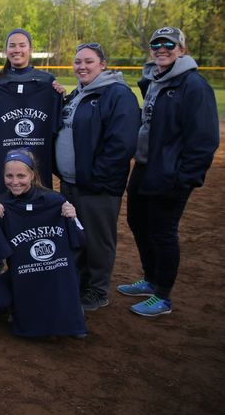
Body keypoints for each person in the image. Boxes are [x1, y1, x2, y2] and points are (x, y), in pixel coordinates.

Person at [119, 26, 219, 317]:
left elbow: (204, 139)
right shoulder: (155, 80)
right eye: (156, 44)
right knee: (138, 222)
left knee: (163, 232)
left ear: (182, 49)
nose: (162, 49)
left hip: (170, 172)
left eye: (169, 45)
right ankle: (150, 279)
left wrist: (184, 178)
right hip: (146, 166)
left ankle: (162, 296)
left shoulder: (194, 85)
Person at [54, 43, 139, 312]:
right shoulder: (77, 94)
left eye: (88, 61)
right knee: (76, 235)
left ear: (103, 64)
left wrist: (95, 178)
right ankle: (80, 283)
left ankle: (97, 290)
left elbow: (121, 144)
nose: (82, 66)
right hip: (71, 182)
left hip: (96, 185)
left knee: (98, 238)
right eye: (78, 62)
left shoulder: (117, 94)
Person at [0, 29, 64, 281]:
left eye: (22, 45)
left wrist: (59, 95)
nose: (17, 50)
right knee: (2, 208)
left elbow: (59, 122)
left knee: (37, 209)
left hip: (36, 162)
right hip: (3, 162)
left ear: (29, 48)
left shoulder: (47, 82)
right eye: (12, 46)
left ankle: (35, 259)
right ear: (6, 50)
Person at [0, 149, 87, 338]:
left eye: (21, 176)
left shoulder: (55, 201)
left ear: (32, 175)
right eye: (9, 176)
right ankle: (20, 307)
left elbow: (81, 241)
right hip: (23, 273)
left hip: (54, 275)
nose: (15, 182)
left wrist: (72, 218)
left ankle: (69, 306)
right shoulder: (2, 204)